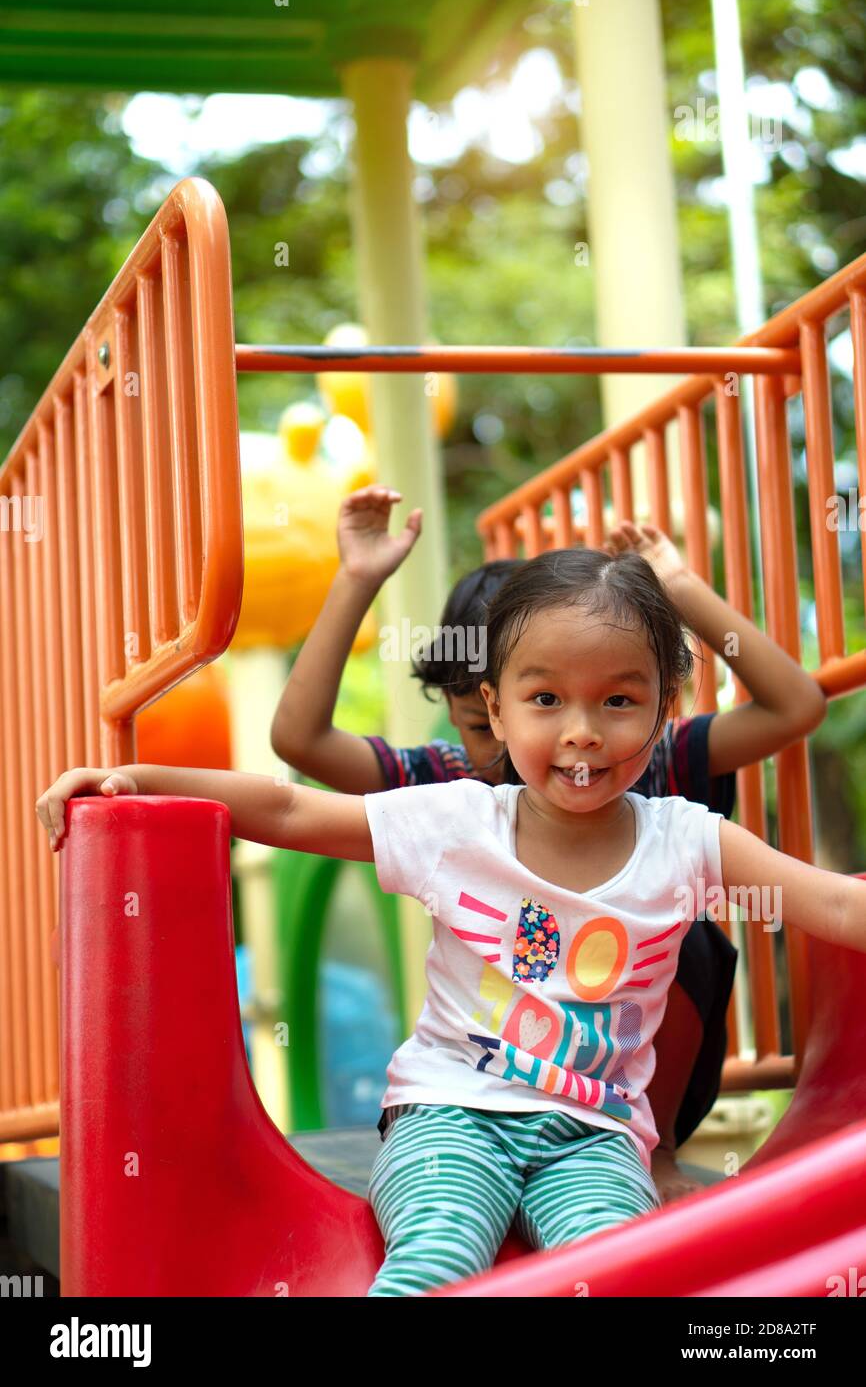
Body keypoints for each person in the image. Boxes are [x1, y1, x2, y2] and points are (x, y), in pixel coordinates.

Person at [36, 547, 862, 1298]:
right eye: (546, 699)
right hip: (451, 1112)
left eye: (618, 699)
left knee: (620, 1265)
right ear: (495, 711)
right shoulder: (456, 821)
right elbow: (290, 805)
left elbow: (829, 901)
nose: (581, 730)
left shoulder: (687, 838)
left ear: (663, 708)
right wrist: (131, 775)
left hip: (596, 1136)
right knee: (438, 1249)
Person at [269, 485, 827, 1202]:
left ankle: (650, 1158)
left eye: (611, 700)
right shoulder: (447, 787)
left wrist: (680, 587)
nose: (567, 741)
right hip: (487, 1079)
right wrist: (357, 580)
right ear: (490, 711)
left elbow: (796, 707)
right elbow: (298, 747)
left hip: (620, 1088)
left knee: (683, 933)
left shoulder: (653, 760)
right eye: (495, 719)